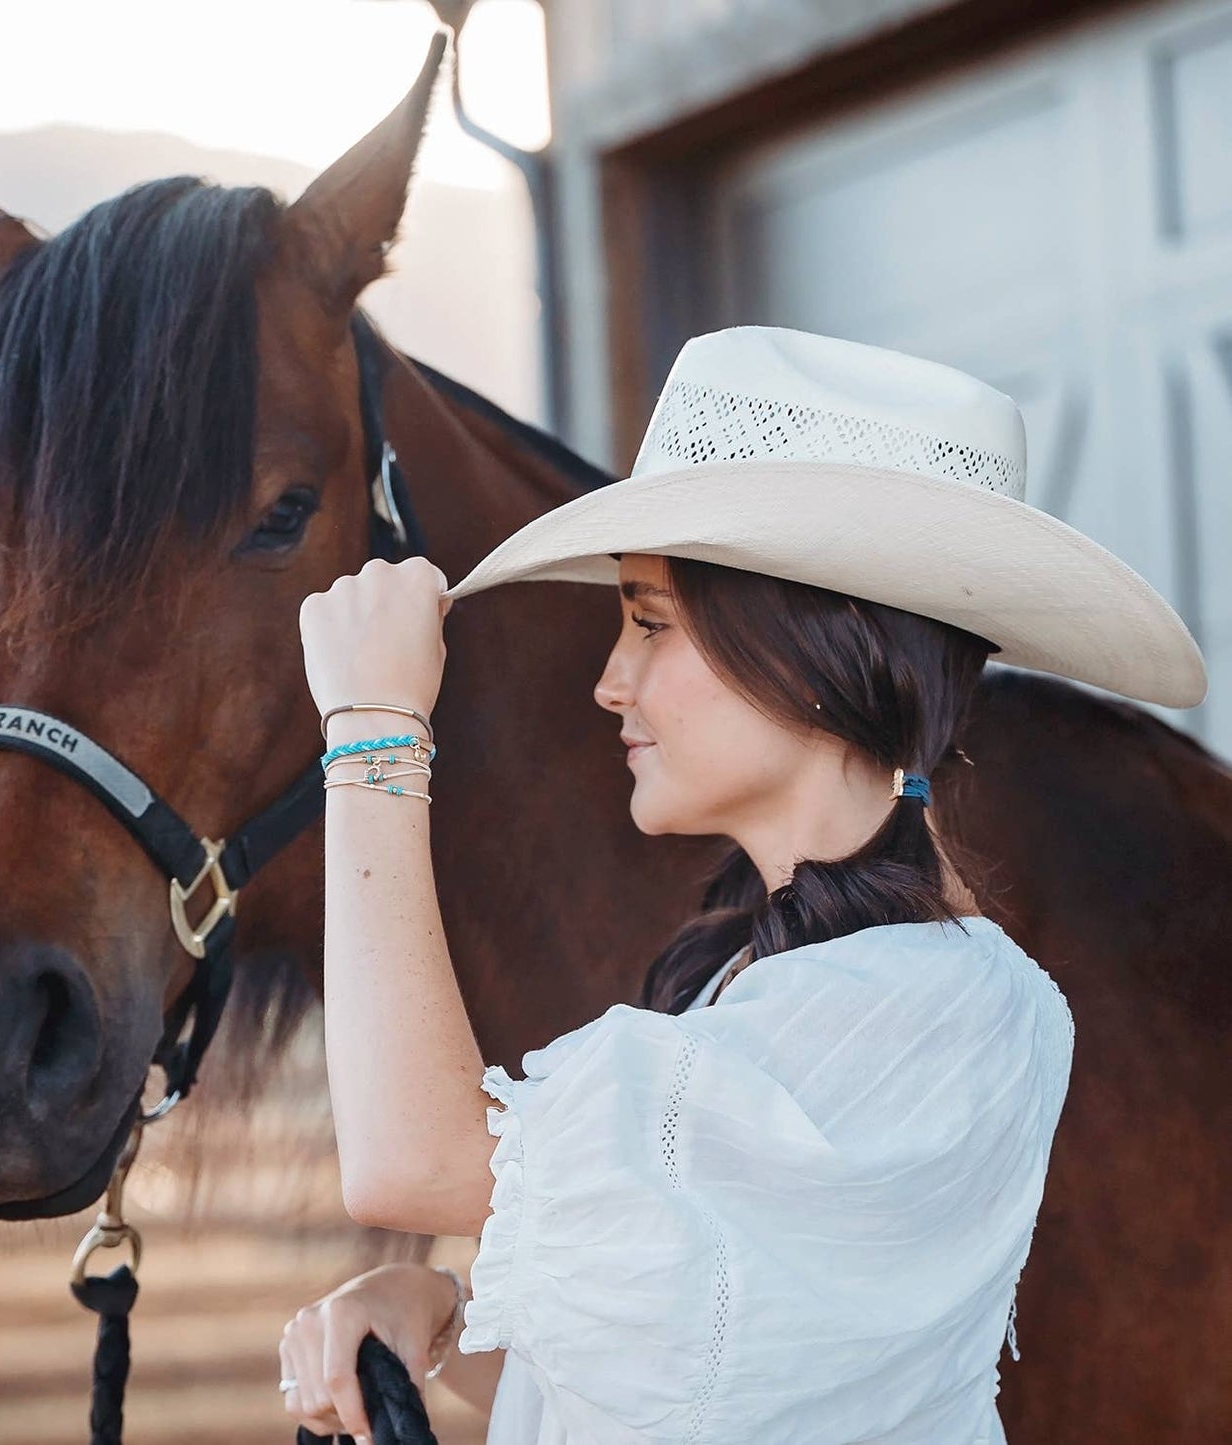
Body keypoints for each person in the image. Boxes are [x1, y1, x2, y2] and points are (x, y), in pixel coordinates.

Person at [284, 326, 1206, 1443]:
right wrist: (434, 1311)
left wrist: (372, 734)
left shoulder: (921, 1007)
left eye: (648, 624)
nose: (609, 681)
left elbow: (407, 1162)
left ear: (810, 652)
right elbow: (681, 1377)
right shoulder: (784, 985)